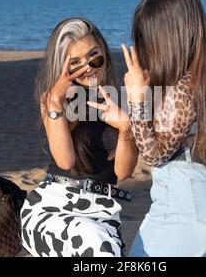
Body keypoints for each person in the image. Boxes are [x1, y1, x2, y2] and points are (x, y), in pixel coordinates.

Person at [99, 0, 206, 257]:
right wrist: (129, 119)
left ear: (166, 34)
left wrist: (136, 100)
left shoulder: (183, 85)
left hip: (193, 202)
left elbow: (155, 154)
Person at [20, 18, 139, 257]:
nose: (88, 68)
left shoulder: (121, 100)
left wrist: (126, 128)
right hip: (53, 207)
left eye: (94, 57)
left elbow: (123, 172)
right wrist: (55, 103)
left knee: (100, 243)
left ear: (104, 52)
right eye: (76, 64)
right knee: (96, 244)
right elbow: (65, 161)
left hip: (102, 211)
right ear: (64, 68)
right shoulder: (52, 99)